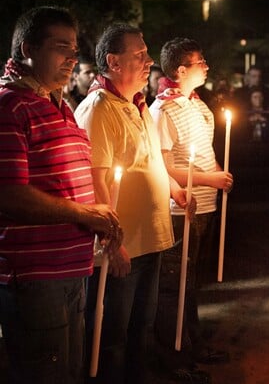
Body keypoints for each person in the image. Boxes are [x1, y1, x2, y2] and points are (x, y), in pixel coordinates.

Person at [0, 6, 120, 384]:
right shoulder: (10, 106)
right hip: (35, 276)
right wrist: (85, 215)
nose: (72, 57)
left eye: (74, 48)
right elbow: (11, 197)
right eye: (60, 47)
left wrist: (98, 219)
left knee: (69, 372)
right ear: (27, 48)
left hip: (71, 268)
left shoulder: (57, 104)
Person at [75, 23, 193, 384]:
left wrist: (173, 188)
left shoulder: (137, 105)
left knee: (140, 331)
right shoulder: (99, 109)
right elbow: (95, 181)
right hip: (123, 248)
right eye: (139, 55)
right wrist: (112, 242)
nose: (149, 61)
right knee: (112, 340)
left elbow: (147, 163)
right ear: (113, 61)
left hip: (151, 241)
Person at [149, 37, 233, 371]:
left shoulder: (198, 106)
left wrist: (218, 175)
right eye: (201, 62)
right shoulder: (162, 110)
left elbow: (205, 154)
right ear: (182, 70)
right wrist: (209, 179)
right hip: (180, 209)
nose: (207, 66)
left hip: (206, 206)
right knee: (174, 284)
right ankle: (173, 357)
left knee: (192, 280)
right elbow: (165, 165)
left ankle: (193, 345)